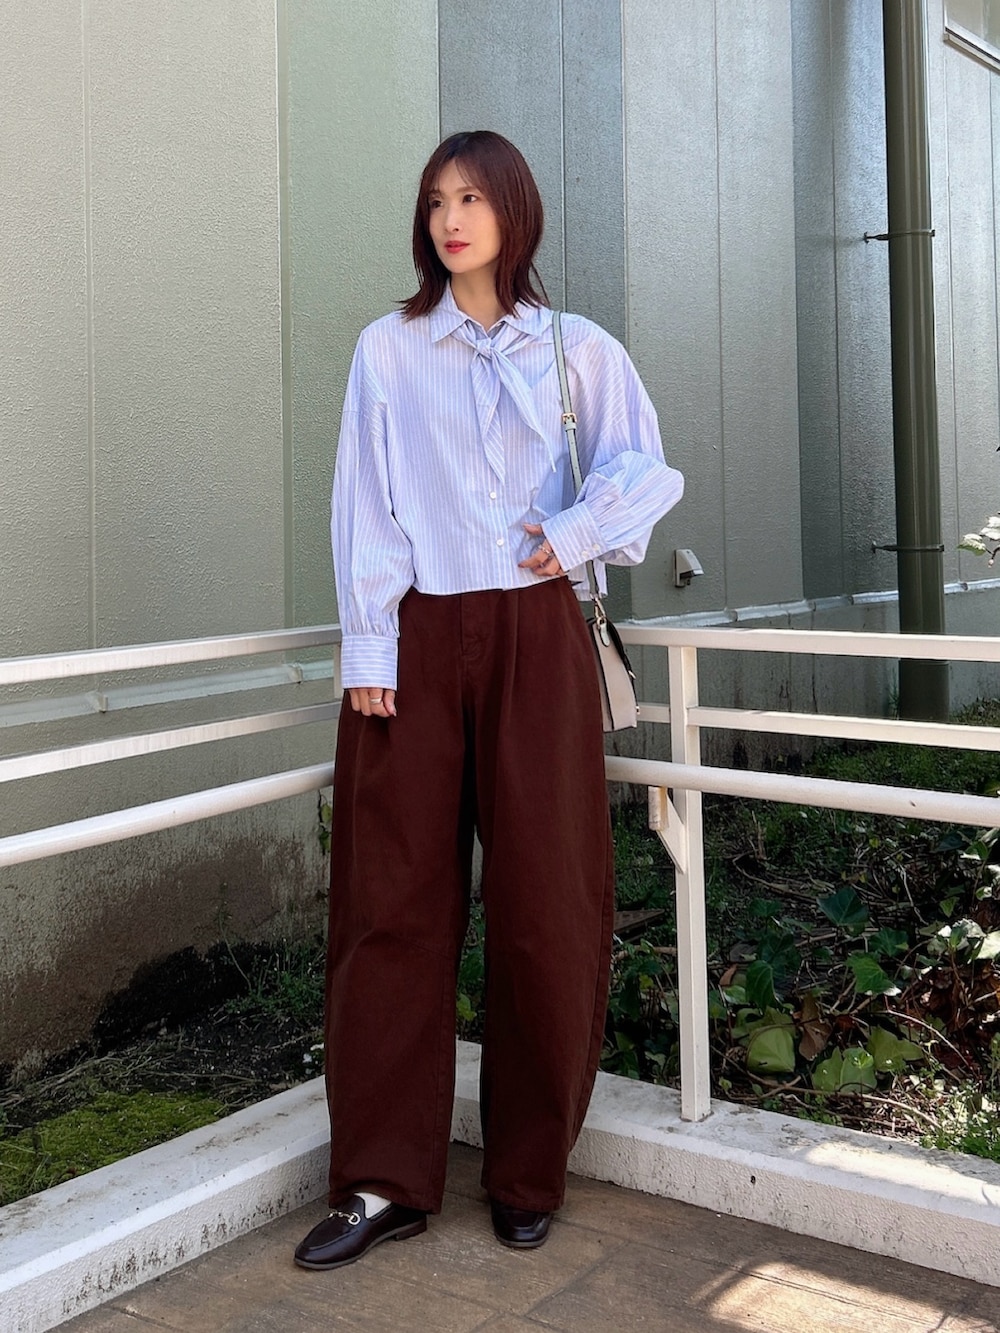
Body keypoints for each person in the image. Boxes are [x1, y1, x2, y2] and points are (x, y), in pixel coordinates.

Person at [294, 130, 683, 1271]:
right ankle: (381, 1180)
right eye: (434, 202)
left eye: (471, 197)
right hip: (412, 638)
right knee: (389, 904)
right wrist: (370, 638)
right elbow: (364, 496)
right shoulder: (389, 347)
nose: (451, 219)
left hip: (536, 638)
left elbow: (644, 467)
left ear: (515, 210)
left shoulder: (576, 348)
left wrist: (574, 533)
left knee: (546, 903)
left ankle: (526, 1172)